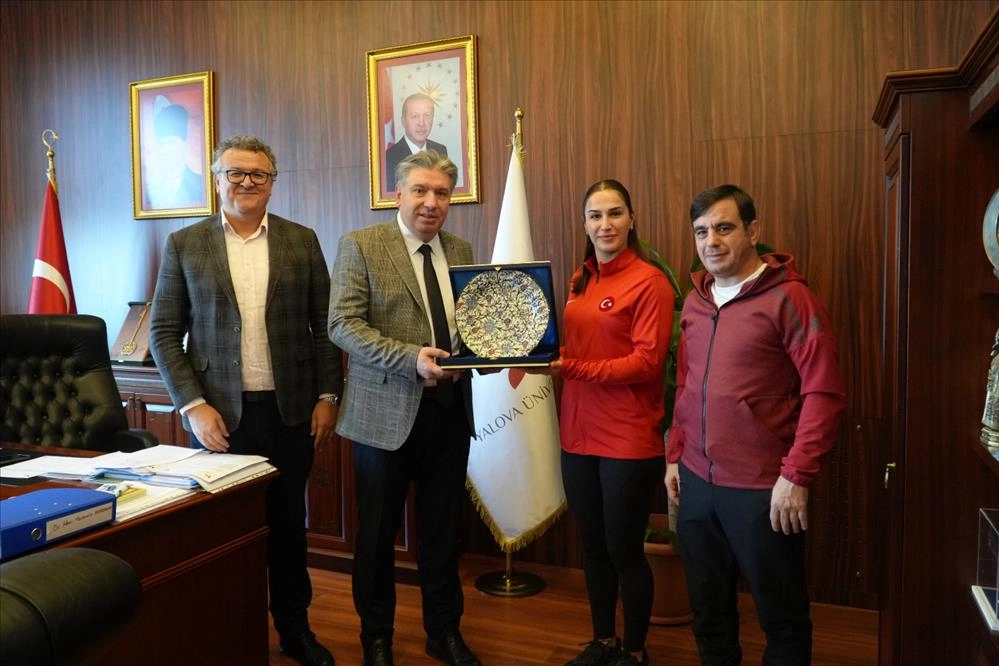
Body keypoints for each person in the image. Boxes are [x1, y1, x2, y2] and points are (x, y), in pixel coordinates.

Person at [149, 134, 343, 666]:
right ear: (217, 180)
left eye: (258, 174)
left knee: (288, 528)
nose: (246, 182)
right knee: (224, 534)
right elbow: (163, 332)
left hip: (290, 413)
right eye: (235, 173)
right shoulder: (185, 244)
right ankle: (228, 633)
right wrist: (192, 405)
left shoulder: (301, 240)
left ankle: (295, 630)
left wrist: (329, 395)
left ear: (272, 183)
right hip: (219, 420)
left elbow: (325, 328)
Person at [665, 184, 847, 665]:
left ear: (753, 231)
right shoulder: (696, 300)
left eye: (724, 228)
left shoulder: (792, 298)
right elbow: (686, 384)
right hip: (697, 482)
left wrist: (796, 475)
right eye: (701, 231)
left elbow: (824, 392)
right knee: (709, 611)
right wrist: (675, 454)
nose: (711, 241)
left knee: (782, 618)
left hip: (765, 488)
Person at [328, 150, 479, 666]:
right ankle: (376, 639)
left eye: (442, 193)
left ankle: (444, 633)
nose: (431, 202)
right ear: (398, 195)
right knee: (375, 538)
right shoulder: (361, 245)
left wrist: (491, 353)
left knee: (443, 534)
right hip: (383, 417)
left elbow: (472, 326)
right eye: (420, 190)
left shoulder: (461, 249)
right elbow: (343, 325)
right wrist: (410, 358)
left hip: (449, 413)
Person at [535, 180, 674, 666]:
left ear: (632, 219)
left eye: (615, 213)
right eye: (595, 215)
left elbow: (646, 363)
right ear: (585, 223)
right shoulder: (581, 280)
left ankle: (633, 651)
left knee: (624, 549)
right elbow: (577, 349)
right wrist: (532, 355)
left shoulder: (650, 282)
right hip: (577, 434)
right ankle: (603, 641)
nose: (605, 224)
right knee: (593, 547)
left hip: (628, 437)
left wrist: (571, 367)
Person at [144, 96, 206, 210]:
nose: (166, 150)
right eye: (162, 143)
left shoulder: (202, 185)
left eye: (171, 142)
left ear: (185, 145)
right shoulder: (151, 193)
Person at [384, 93, 448, 192]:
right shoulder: (389, 158)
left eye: (427, 115)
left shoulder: (441, 151)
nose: (421, 123)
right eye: (415, 116)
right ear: (403, 121)